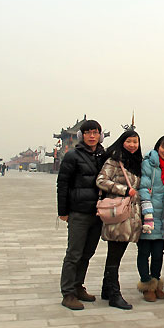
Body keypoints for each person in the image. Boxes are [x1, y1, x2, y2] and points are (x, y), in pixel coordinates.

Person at [57, 119, 107, 310]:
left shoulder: (103, 156)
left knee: (87, 253)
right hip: (78, 211)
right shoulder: (72, 156)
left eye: (95, 132)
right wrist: (63, 211)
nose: (92, 136)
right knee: (74, 253)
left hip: (97, 212)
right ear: (82, 136)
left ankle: (78, 286)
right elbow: (63, 184)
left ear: (100, 135)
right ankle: (68, 293)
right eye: (88, 133)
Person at [96, 129, 143, 310]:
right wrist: (123, 190)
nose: (132, 145)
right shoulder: (115, 161)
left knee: (115, 254)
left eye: (135, 142)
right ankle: (114, 294)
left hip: (128, 215)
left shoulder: (135, 163)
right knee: (114, 255)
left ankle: (106, 289)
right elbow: (101, 180)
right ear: (122, 142)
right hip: (117, 214)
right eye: (129, 141)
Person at [136, 135, 164, 302]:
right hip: (149, 217)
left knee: (158, 254)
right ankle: (146, 284)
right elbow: (143, 188)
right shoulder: (149, 164)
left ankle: (156, 281)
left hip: (163, 218)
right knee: (144, 252)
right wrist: (148, 213)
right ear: (157, 146)